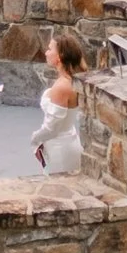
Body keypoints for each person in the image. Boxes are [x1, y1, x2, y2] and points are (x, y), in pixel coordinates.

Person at [31, 33, 85, 173]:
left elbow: (52, 127)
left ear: (59, 56)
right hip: (66, 140)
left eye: (50, 49)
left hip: (60, 149)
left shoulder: (62, 87)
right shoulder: (70, 80)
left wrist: (36, 139)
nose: (46, 52)